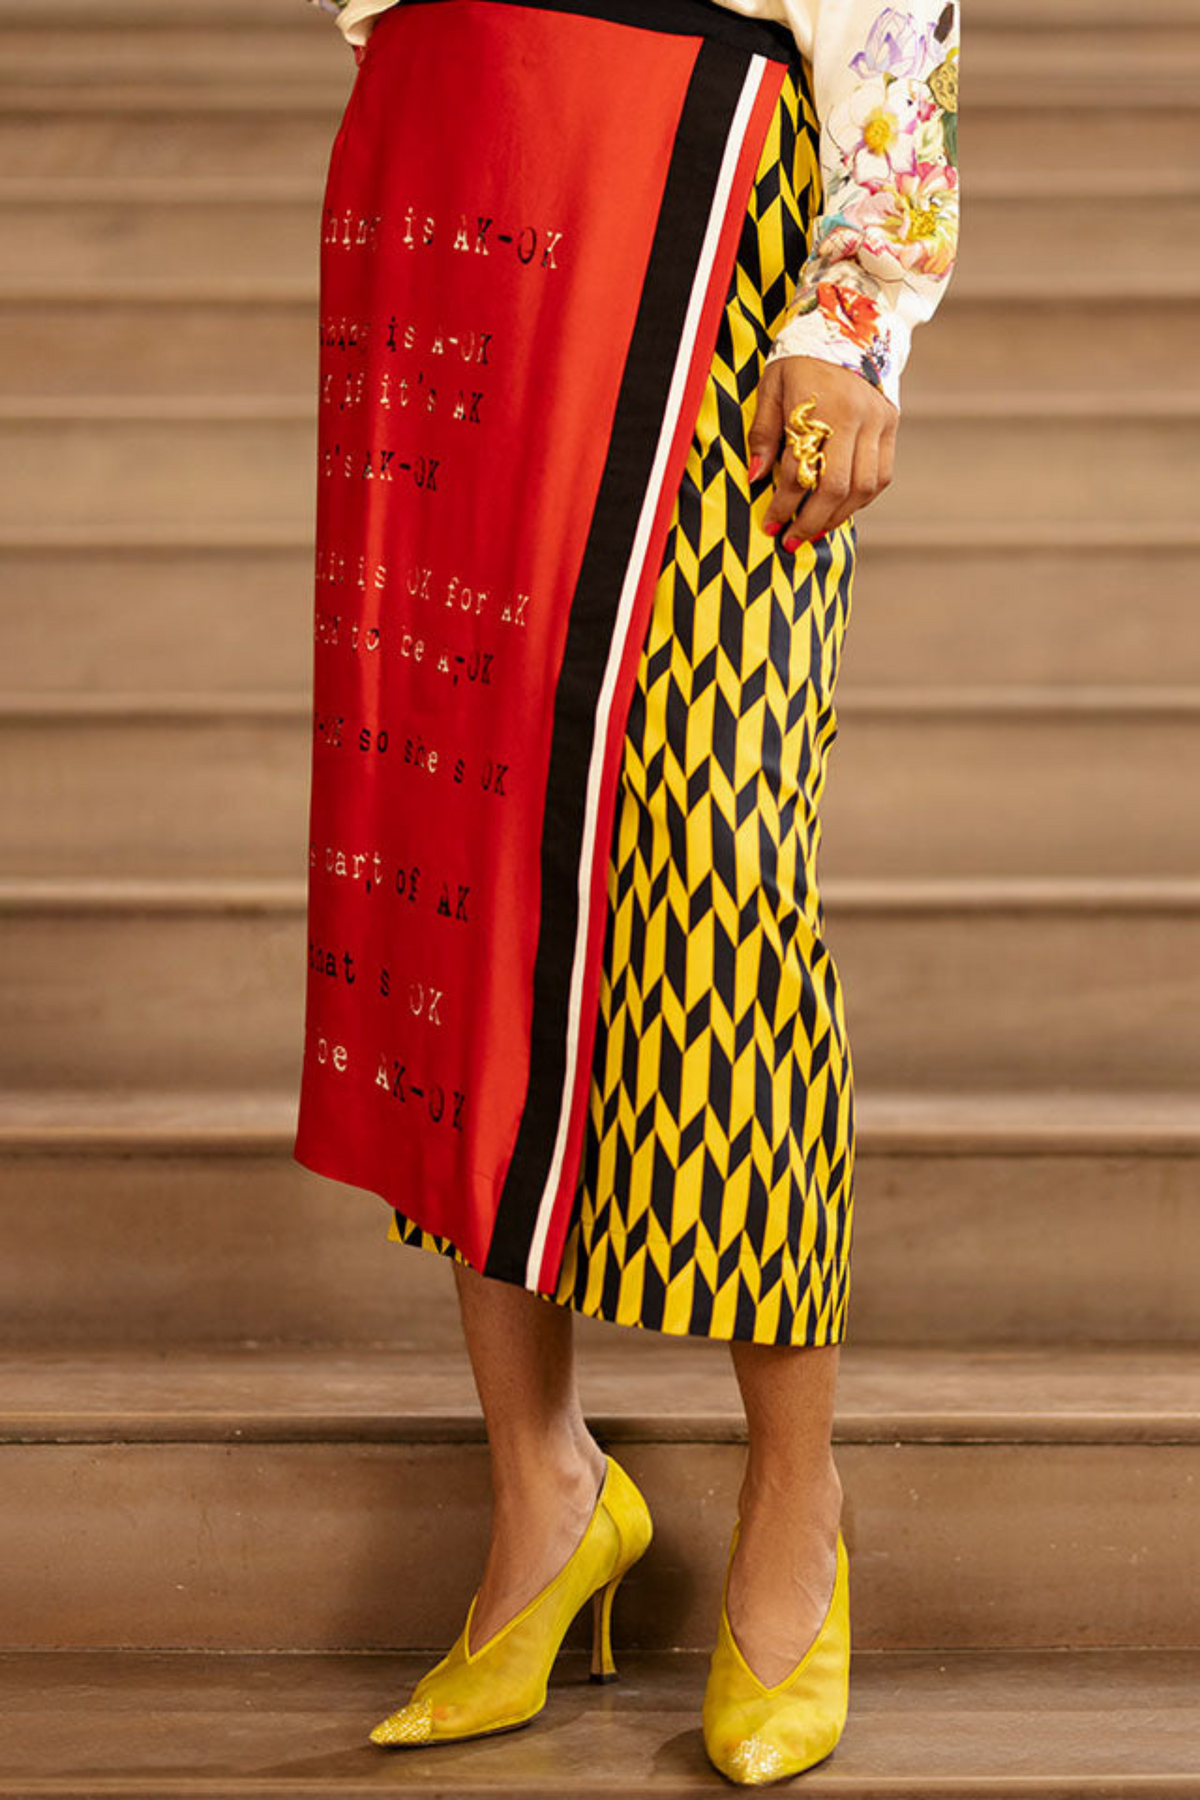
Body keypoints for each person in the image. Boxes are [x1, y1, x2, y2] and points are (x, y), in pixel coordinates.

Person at [295, 0, 959, 1781]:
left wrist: (854, 308)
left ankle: (795, 1503)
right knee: (467, 842)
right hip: (451, 152)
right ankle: (543, 1490)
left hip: (701, 175)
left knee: (720, 868)